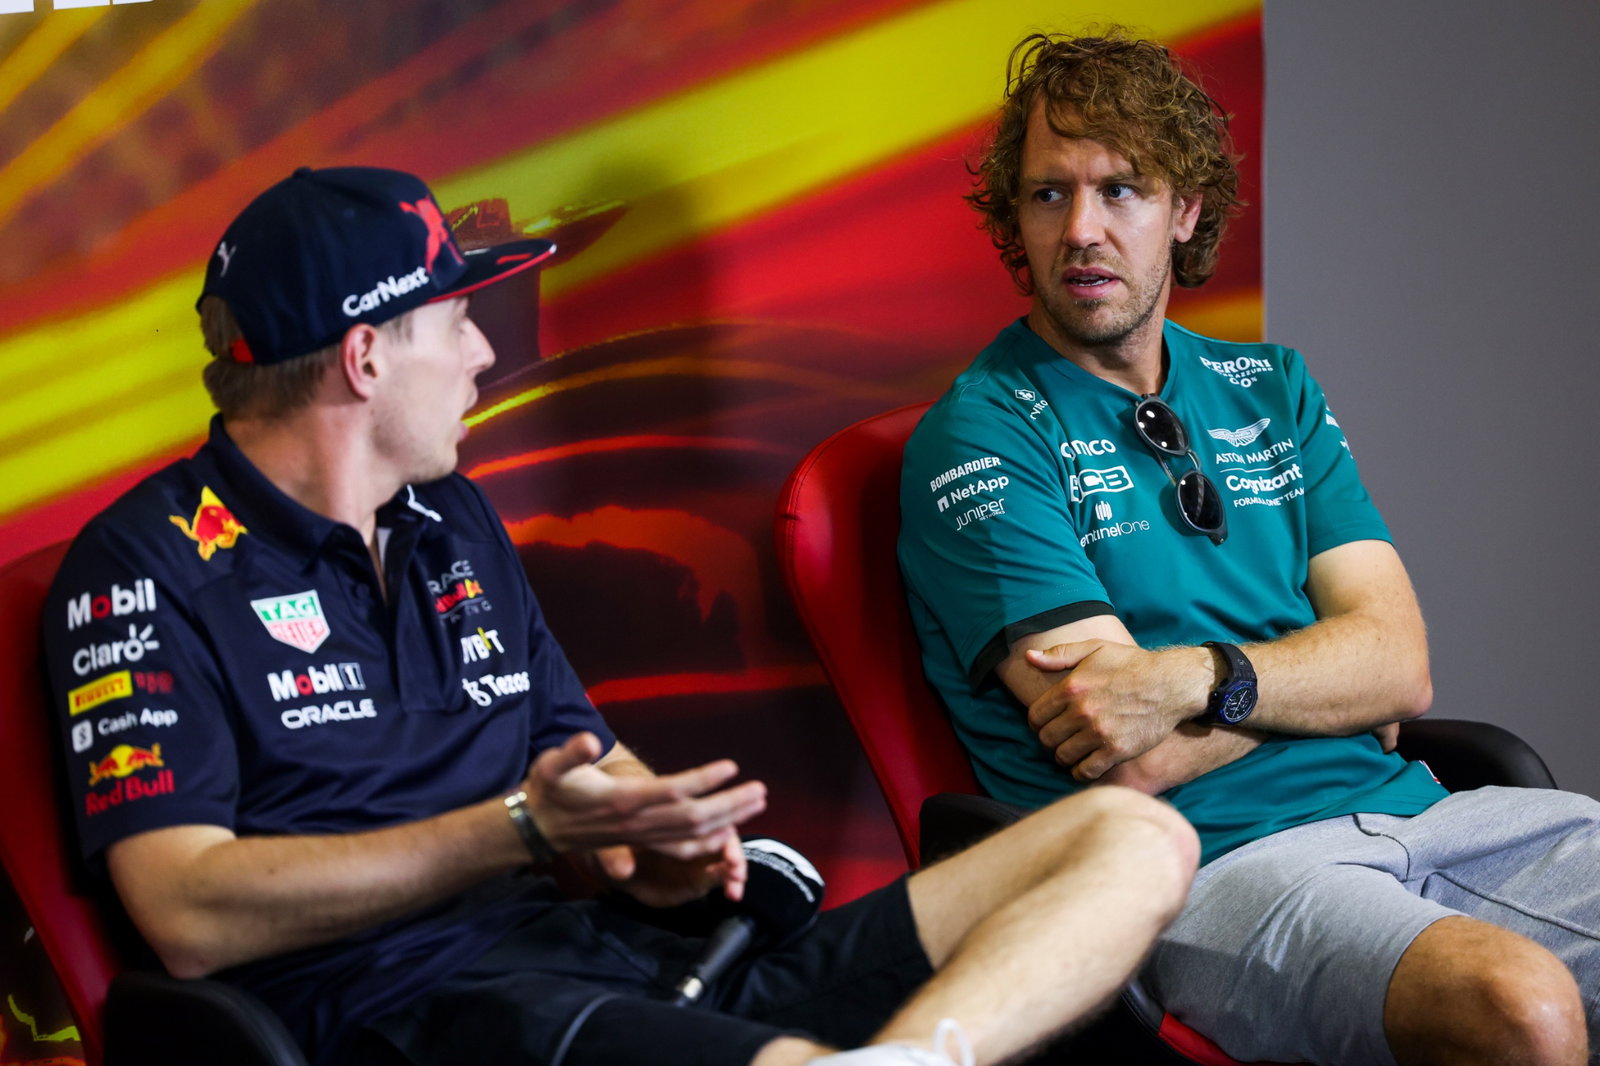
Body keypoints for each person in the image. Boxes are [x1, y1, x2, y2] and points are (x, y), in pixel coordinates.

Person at [43, 165, 1198, 1066]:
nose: (486, 354)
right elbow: (186, 911)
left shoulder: (449, 519)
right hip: (429, 1019)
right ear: (362, 358)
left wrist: (662, 847)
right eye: (456, 323)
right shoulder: (140, 572)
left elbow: (579, 763)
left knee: (1130, 839)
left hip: (633, 961)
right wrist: (523, 829)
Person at [897, 29, 1600, 1066]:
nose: (1082, 229)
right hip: (1210, 870)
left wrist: (1201, 677)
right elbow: (1128, 747)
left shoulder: (1272, 387)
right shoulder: (984, 431)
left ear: (1184, 212)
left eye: (1121, 190)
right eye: (1049, 195)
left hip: (1422, 816)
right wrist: (1331, 681)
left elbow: (1400, 664)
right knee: (1519, 1007)